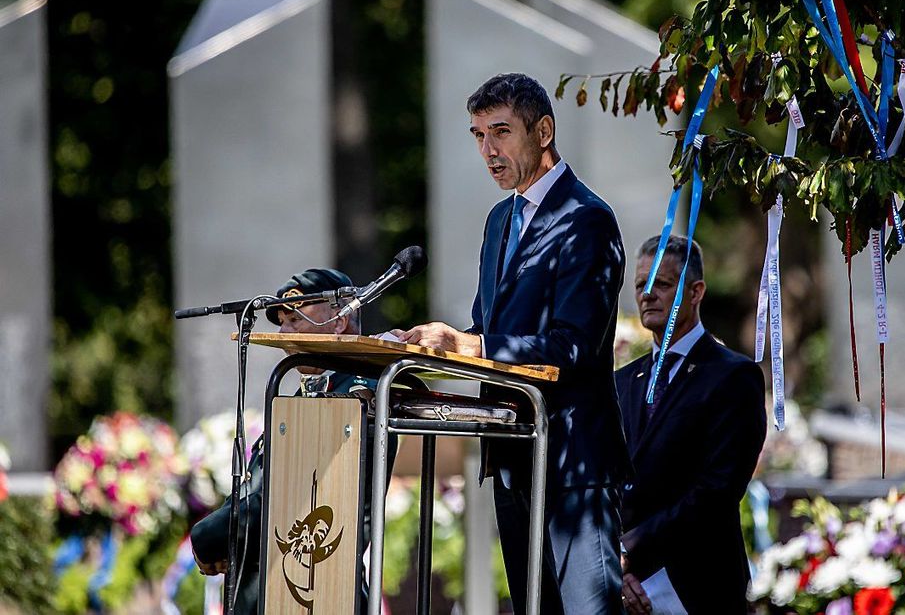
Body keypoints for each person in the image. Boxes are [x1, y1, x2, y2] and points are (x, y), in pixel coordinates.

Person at [394, 73, 629, 614]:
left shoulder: (587, 221)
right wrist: (433, 351)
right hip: (512, 454)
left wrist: (470, 346)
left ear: (543, 130)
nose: (488, 150)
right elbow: (489, 326)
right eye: (477, 135)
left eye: (500, 131)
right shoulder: (500, 219)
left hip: (574, 465)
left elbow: (573, 347)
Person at [190, 268, 392, 615]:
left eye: (295, 319)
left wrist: (214, 533)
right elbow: (258, 483)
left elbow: (300, 502)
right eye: (281, 321)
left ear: (340, 321)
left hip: (317, 589)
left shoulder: (361, 396)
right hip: (269, 589)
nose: (283, 333)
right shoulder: (304, 393)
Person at [614, 236, 766, 615]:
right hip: (626, 587)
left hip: (699, 584)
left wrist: (630, 549)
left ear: (696, 291)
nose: (647, 296)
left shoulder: (733, 376)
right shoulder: (622, 381)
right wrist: (613, 565)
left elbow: (717, 489)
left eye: (661, 284)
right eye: (640, 286)